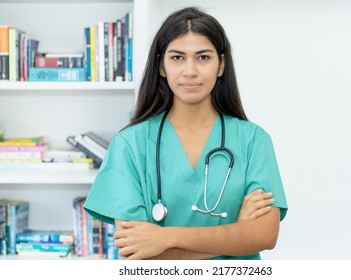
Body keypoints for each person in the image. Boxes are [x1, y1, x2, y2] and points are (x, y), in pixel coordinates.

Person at [84, 6, 288, 260]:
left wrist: (165, 237)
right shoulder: (130, 144)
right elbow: (138, 252)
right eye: (177, 57)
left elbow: (263, 236)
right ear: (161, 66)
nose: (190, 71)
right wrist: (236, 233)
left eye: (203, 57)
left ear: (221, 64)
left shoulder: (253, 140)